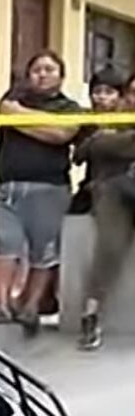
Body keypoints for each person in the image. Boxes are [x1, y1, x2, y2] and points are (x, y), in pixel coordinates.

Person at [0, 50, 81, 334]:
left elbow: (61, 134)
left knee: (44, 251)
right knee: (5, 246)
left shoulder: (70, 108)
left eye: (50, 69)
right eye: (37, 69)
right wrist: (39, 123)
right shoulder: (11, 100)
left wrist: (21, 118)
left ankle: (31, 306)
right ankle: (1, 305)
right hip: (8, 188)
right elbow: (5, 111)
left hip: (49, 189)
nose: (42, 74)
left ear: (61, 77)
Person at [74, 67, 135, 350]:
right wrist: (106, 141)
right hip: (114, 191)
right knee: (109, 248)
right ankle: (91, 314)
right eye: (133, 93)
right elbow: (85, 151)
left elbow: (111, 146)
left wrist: (108, 142)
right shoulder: (114, 119)